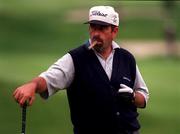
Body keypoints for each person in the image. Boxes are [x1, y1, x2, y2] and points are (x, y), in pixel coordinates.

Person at [13, 6, 149, 134]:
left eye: (102, 28)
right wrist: (33, 85)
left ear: (114, 31)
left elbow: (143, 97)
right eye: (93, 27)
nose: (96, 33)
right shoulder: (75, 59)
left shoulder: (126, 58)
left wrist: (132, 97)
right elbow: (48, 79)